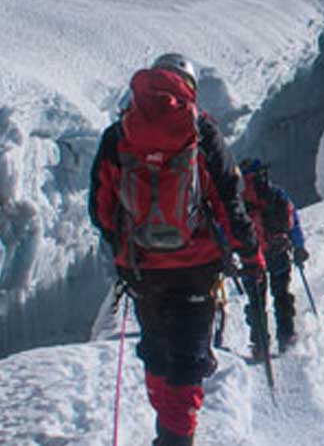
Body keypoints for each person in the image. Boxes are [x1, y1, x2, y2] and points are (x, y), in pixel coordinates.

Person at [89, 53, 263, 446]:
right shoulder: (201, 132)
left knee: (156, 349)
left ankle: (166, 428)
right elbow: (229, 201)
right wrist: (250, 254)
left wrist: (124, 247)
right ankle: (176, 439)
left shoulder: (119, 135)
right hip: (196, 267)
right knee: (189, 360)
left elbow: (100, 207)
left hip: (142, 269)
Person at [237, 159, 309, 354]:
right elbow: (293, 223)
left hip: (251, 258)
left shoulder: (239, 201)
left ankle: (260, 343)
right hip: (278, 252)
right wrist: (299, 246)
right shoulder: (277, 195)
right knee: (282, 295)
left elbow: (226, 228)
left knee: (256, 301)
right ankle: (286, 336)